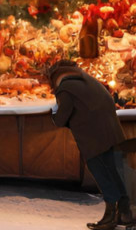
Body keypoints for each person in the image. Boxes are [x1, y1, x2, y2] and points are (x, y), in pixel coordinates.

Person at [48, 61, 132, 229]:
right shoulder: (87, 80)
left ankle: (110, 217)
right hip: (111, 133)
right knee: (112, 172)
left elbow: (61, 118)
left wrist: (52, 115)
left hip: (93, 139)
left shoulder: (65, 88)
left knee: (102, 175)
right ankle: (125, 213)